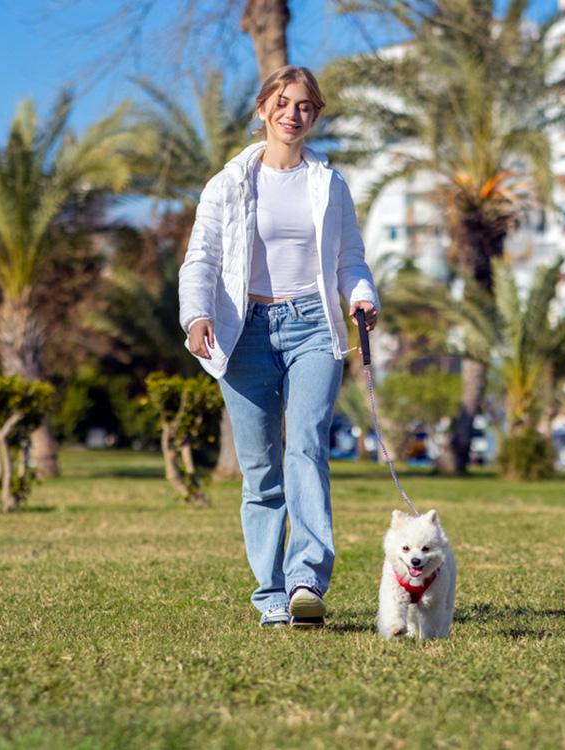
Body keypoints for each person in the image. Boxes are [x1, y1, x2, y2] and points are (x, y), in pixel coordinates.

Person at [178, 66, 379, 629]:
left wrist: (360, 296)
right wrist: (196, 316)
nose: (294, 114)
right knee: (261, 468)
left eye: (306, 107)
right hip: (244, 330)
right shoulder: (229, 184)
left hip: (314, 325)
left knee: (307, 448)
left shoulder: (329, 185)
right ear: (264, 108)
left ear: (315, 116)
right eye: (284, 103)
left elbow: (350, 259)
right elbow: (202, 259)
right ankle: (269, 593)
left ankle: (306, 581)